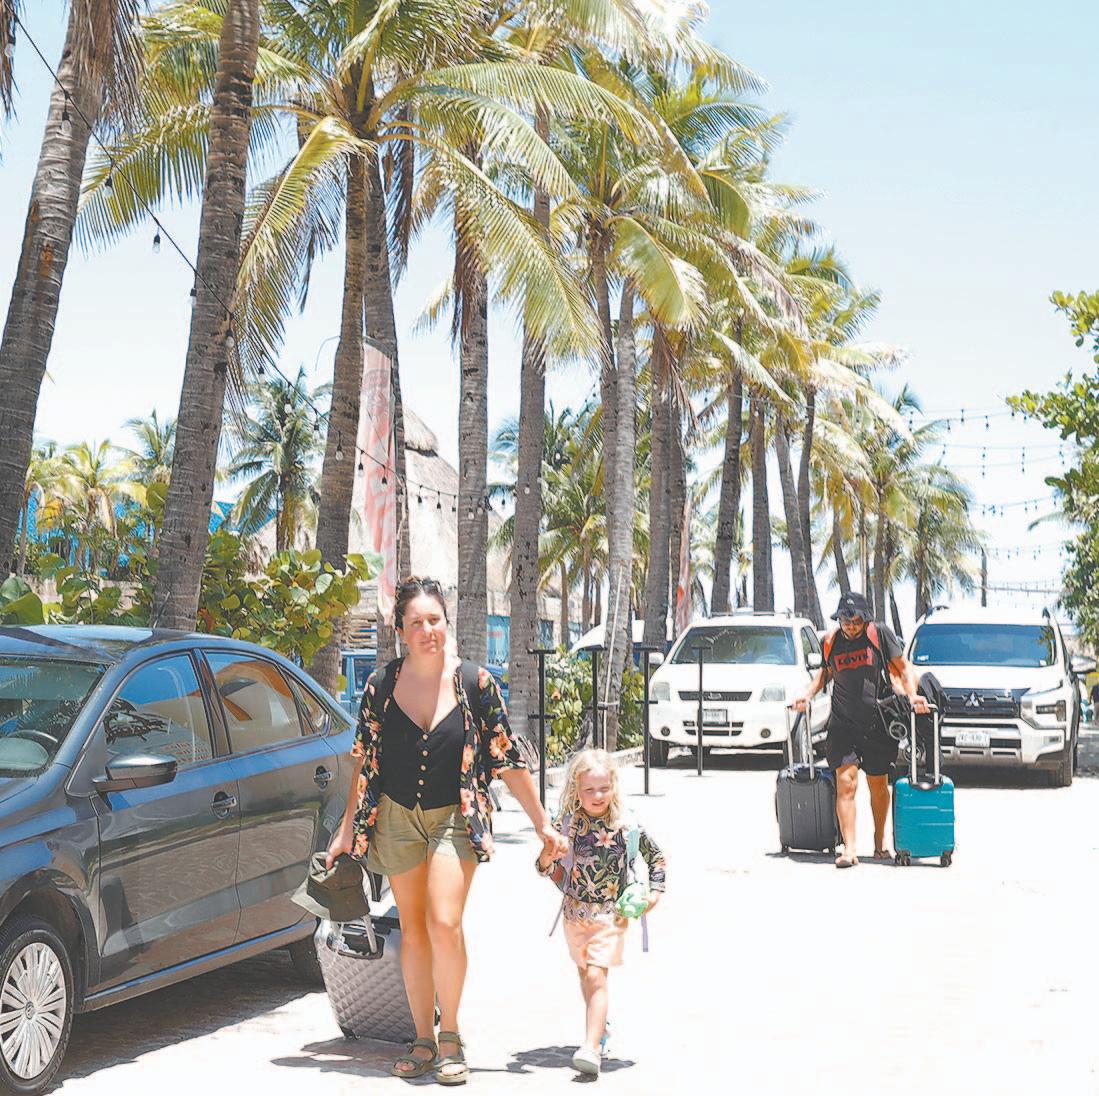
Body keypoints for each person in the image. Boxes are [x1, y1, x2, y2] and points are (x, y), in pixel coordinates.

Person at [326, 576, 568, 1084]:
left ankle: (451, 1033)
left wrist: (543, 823)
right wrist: (346, 829)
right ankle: (423, 1038)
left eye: (434, 620)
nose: (427, 630)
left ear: (446, 622)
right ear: (400, 630)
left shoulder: (476, 684)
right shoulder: (380, 686)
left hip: (455, 818)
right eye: (416, 622)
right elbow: (364, 761)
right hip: (395, 817)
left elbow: (506, 759)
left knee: (444, 922)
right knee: (413, 929)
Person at [537, 748, 666, 1077]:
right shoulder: (567, 825)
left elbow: (656, 857)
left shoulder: (626, 824)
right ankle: (600, 1026)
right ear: (576, 789)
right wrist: (547, 858)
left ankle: (591, 1047)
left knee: (596, 974)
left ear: (614, 785)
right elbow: (548, 868)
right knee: (586, 974)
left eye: (604, 788)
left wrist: (654, 892)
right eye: (590, 789)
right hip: (574, 915)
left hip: (611, 916)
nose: (597, 796)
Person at [793, 591, 929, 868]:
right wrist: (806, 695)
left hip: (877, 724)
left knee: (878, 785)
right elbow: (824, 674)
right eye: (846, 621)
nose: (851, 627)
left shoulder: (879, 634)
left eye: (856, 622)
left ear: (865, 619)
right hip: (843, 725)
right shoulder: (831, 641)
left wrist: (913, 695)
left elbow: (902, 669)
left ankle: (879, 843)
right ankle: (849, 849)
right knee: (846, 783)